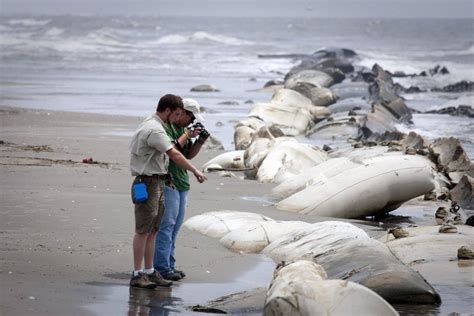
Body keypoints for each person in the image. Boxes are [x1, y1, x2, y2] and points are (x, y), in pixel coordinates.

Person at [129, 94, 207, 289]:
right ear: (168, 110)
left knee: (154, 229)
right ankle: (138, 273)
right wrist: (195, 170)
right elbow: (173, 153)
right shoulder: (154, 129)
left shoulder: (159, 126)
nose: (177, 118)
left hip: (158, 180)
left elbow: (180, 151)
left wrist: (197, 140)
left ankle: (150, 271)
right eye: (177, 114)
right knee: (143, 230)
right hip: (146, 182)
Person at [154, 98, 209, 281]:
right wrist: (187, 133)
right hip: (169, 182)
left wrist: (200, 141)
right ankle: (161, 267)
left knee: (175, 228)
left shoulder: (181, 129)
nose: (192, 121)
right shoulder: (167, 127)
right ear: (182, 112)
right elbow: (172, 151)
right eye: (191, 117)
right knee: (166, 226)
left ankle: (169, 264)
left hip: (182, 183)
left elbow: (187, 155)